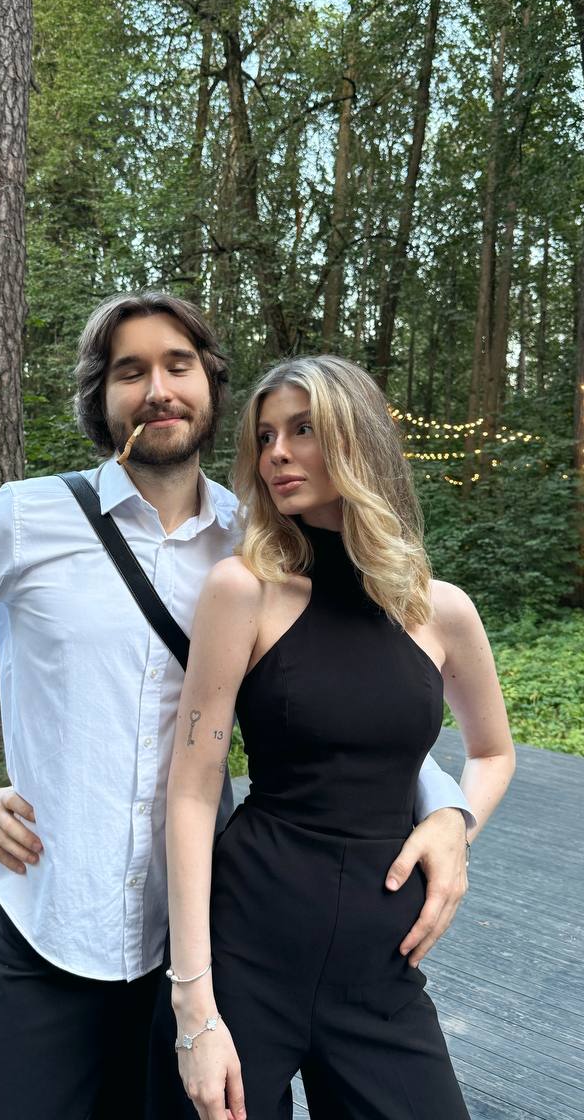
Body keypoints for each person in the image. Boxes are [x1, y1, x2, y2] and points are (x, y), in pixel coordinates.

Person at [0, 295, 476, 1120]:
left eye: (177, 366)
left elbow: (353, 702)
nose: (158, 389)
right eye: (131, 371)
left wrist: (448, 811)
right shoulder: (26, 517)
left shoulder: (261, 542)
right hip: (53, 919)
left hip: (204, 936)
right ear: (101, 398)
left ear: (211, 386)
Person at [166, 354, 516, 1120]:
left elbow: (493, 752)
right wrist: (195, 1008)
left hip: (381, 967)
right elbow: (192, 791)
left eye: (303, 430)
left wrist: (454, 822)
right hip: (250, 949)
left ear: (358, 441)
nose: (277, 453)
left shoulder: (441, 611)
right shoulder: (244, 592)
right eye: (265, 437)